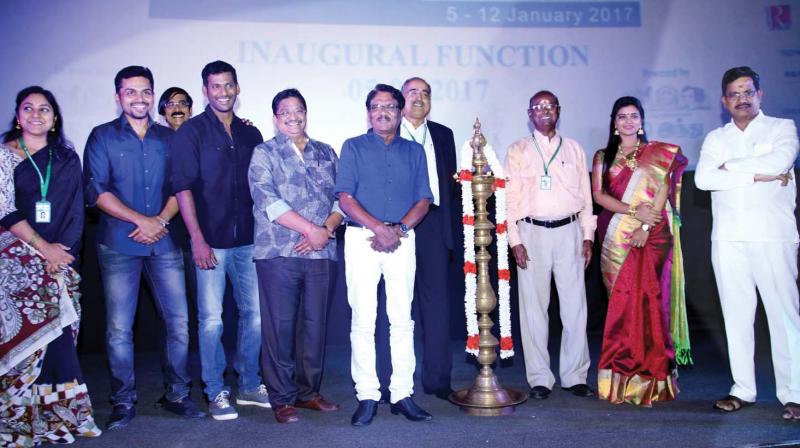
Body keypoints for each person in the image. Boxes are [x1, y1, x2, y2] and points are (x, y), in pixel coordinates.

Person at [83, 66, 205, 429]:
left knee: (179, 323)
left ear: (153, 96)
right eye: (131, 92)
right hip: (119, 243)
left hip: (164, 241)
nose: (139, 98)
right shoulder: (102, 136)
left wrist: (160, 221)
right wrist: (141, 220)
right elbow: (96, 190)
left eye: (146, 91)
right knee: (120, 328)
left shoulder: (170, 138)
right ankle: (123, 400)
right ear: (118, 96)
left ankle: (178, 394)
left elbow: (181, 187)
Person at [695, 66, 800, 421]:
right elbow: (705, 179)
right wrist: (759, 173)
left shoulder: (781, 128)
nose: (742, 99)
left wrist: (732, 169)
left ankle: (795, 392)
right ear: (724, 101)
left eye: (748, 92)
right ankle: (743, 388)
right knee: (736, 316)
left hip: (772, 234)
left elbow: (781, 160)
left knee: (783, 316)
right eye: (734, 94)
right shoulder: (715, 138)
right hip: (728, 238)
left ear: (760, 95)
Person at [0, 85, 101, 444]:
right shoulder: (4, 156)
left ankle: (58, 421)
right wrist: (44, 249)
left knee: (58, 342)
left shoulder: (66, 158)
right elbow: (6, 211)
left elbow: (76, 210)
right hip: (13, 263)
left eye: (44, 110)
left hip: (59, 262)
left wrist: (64, 255)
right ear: (17, 116)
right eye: (28, 108)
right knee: (21, 345)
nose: (36, 115)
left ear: (55, 119)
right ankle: (15, 423)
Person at [170, 60, 268, 420]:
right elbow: (182, 188)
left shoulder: (250, 134)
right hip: (209, 241)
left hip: (248, 239)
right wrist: (196, 238)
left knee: (255, 315)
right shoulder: (190, 133)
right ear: (205, 91)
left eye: (229, 85)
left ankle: (248, 384)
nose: (223, 92)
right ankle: (215, 391)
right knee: (211, 320)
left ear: (237, 88)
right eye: (215, 86)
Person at [335, 84, 433, 426]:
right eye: (376, 107)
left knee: (402, 319)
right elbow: (345, 198)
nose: (382, 113)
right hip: (362, 239)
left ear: (401, 110)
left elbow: (424, 200)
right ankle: (367, 395)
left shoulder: (414, 151)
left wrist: (398, 230)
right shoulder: (353, 147)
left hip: (403, 239)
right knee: (363, 320)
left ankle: (402, 394)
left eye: (390, 107)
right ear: (368, 112)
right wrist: (379, 228)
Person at [248, 88, 343, 424]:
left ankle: (308, 393)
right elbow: (266, 199)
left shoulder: (326, 151)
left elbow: (341, 199)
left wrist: (326, 229)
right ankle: (282, 398)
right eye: (285, 111)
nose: (293, 116)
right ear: (275, 118)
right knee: (281, 328)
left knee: (315, 327)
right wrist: (310, 230)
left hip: (321, 252)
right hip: (278, 252)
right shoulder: (264, 153)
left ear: (306, 113)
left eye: (298, 110)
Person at [591, 96, 689, 407]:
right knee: (621, 305)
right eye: (622, 117)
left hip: (652, 234)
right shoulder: (602, 156)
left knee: (649, 300)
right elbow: (598, 195)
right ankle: (622, 375)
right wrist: (634, 211)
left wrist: (645, 228)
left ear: (642, 120)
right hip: (615, 233)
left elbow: (661, 191)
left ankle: (653, 378)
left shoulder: (657, 154)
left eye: (634, 116)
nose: (629, 122)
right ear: (614, 123)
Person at [505, 90, 595, 400]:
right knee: (534, 310)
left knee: (575, 309)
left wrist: (587, 236)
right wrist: (514, 240)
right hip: (531, 233)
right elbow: (510, 200)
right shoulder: (517, 150)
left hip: (569, 231)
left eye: (550, 106)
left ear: (559, 111)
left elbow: (586, 197)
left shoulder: (574, 149)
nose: (544, 111)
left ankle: (575, 375)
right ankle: (540, 377)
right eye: (538, 107)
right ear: (529, 114)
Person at [397, 77, 459, 400]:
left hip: (434, 226)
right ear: (401, 99)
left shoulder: (444, 135)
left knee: (437, 308)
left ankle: (437, 381)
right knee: (395, 307)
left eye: (425, 93)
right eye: (412, 93)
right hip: (398, 225)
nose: (419, 98)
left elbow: (450, 188)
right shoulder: (388, 131)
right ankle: (394, 382)